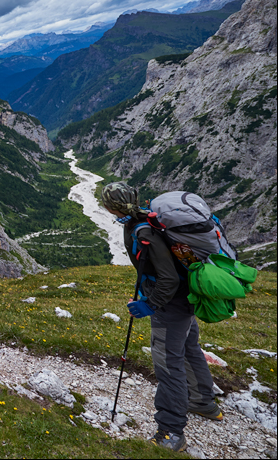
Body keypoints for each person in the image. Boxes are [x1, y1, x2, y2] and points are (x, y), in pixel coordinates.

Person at [100, 182, 223, 452]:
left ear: (110, 207)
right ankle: (204, 403)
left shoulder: (143, 230)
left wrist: (150, 305)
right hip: (185, 300)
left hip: (171, 307)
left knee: (169, 365)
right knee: (190, 348)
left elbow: (167, 278)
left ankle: (171, 431)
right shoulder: (146, 218)